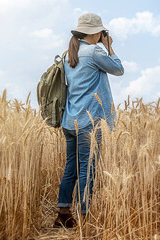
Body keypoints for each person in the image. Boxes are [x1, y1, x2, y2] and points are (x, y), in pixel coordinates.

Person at [53, 12, 124, 228]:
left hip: (70, 121)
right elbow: (119, 70)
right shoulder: (94, 52)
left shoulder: (69, 54)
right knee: (87, 168)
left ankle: (63, 214)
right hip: (89, 122)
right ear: (96, 33)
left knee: (70, 168)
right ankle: (85, 217)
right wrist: (110, 46)